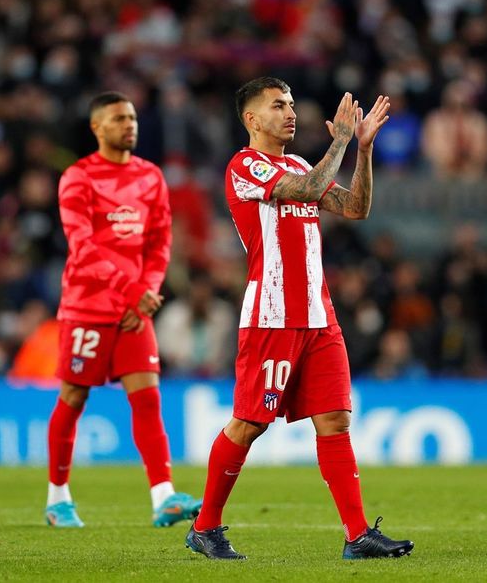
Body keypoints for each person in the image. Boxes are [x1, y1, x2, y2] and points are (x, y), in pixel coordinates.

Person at [186, 77, 413, 561]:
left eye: (290, 104)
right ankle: (205, 528)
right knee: (249, 424)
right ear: (251, 119)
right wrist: (340, 141)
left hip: (318, 315)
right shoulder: (244, 166)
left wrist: (363, 151)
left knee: (335, 419)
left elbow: (356, 207)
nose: (290, 112)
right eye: (277, 105)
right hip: (272, 315)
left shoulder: (297, 162)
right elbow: (308, 190)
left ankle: (357, 536)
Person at [44, 91, 200, 529]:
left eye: (131, 117)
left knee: (148, 398)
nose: (129, 125)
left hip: (134, 310)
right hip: (88, 307)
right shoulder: (78, 177)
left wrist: (146, 291)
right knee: (73, 398)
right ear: (97, 127)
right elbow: (82, 246)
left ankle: (164, 497)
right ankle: (58, 499)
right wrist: (132, 290)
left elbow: (159, 242)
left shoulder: (151, 177)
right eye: (118, 119)